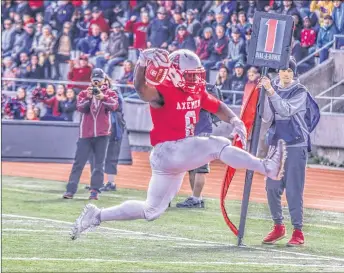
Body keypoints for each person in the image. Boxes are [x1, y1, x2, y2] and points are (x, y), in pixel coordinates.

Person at [70, 49, 286, 240]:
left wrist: (234, 120)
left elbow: (217, 105)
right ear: (174, 73)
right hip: (169, 150)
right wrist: (142, 63)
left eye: (197, 74)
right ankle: (266, 167)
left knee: (151, 210)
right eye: (191, 75)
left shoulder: (196, 90)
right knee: (217, 144)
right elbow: (141, 89)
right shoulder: (162, 90)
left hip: (176, 155)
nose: (196, 79)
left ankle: (96, 215)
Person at [259, 57, 319, 247]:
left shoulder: (300, 91)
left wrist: (270, 91)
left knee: (293, 190)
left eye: (290, 71)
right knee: (271, 187)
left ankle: (298, 231)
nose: (286, 74)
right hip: (277, 144)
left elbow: (285, 110)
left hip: (296, 145)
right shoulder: (272, 87)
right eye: (283, 70)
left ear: (294, 73)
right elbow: (267, 117)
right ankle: (278, 226)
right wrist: (264, 94)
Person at [63, 68, 118, 200]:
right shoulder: (83, 93)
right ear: (91, 80)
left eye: (99, 80)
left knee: (98, 164)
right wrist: (89, 98)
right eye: (95, 80)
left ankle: (95, 191)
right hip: (85, 134)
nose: (96, 83)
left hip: (102, 134)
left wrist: (102, 97)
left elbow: (114, 106)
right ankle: (70, 190)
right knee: (79, 162)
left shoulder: (110, 93)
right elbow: (80, 108)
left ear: (104, 80)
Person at [176, 84, 222, 208]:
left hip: (197, 130)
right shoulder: (205, 88)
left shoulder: (196, 89)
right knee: (193, 168)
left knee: (199, 168)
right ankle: (196, 198)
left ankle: (196, 198)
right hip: (195, 130)